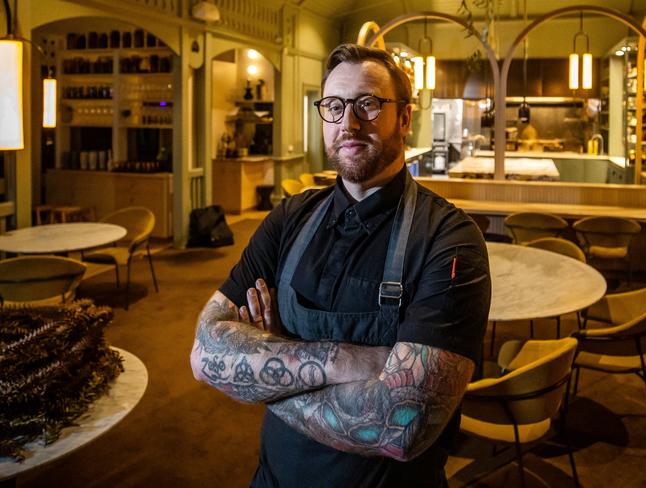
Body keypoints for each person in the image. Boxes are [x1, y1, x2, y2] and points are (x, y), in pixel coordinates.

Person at [191, 43, 491, 487]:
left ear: (404, 118)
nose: (348, 123)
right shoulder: (289, 218)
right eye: (333, 106)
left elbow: (403, 426)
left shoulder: (449, 240)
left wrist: (266, 376)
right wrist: (347, 362)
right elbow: (205, 353)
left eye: (367, 104)